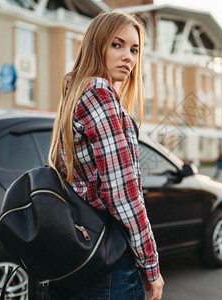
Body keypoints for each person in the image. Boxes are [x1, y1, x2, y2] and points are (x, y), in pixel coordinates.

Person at [48, 11, 164, 300]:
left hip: (80, 257)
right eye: (117, 45)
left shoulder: (75, 90)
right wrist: (151, 266)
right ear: (96, 45)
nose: (129, 57)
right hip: (109, 265)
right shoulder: (99, 91)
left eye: (134, 49)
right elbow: (123, 193)